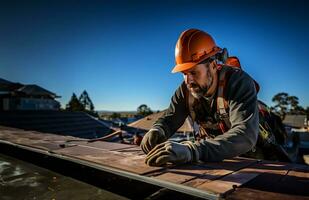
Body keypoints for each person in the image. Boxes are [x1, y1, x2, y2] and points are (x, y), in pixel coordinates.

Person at [141, 29, 259, 166]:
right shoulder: (185, 91)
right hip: (217, 161)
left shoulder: (237, 82)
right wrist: (157, 130)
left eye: (193, 72)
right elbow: (171, 117)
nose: (188, 80)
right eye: (184, 73)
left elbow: (245, 136)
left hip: (258, 162)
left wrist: (193, 150)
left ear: (214, 65)